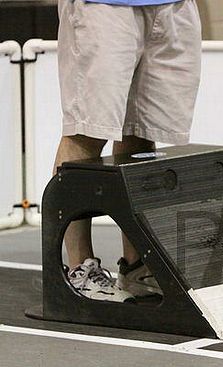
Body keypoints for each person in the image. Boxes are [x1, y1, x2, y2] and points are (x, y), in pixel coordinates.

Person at [53, 0, 202, 302]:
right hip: (103, 6)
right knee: (87, 130)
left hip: (173, 7)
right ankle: (78, 267)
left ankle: (137, 267)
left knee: (143, 132)